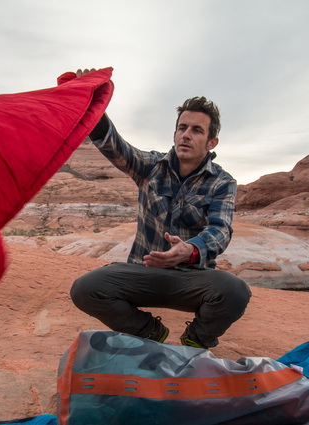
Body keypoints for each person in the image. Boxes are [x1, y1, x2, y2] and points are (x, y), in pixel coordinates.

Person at [70, 69, 251, 349]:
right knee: (85, 288)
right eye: (182, 128)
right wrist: (92, 103)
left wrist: (189, 250)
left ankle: (195, 340)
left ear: (212, 142)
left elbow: (220, 230)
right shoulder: (151, 166)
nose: (186, 135)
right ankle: (150, 332)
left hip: (191, 279)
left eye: (197, 130)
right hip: (143, 273)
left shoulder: (223, 182)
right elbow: (116, 148)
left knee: (235, 291)